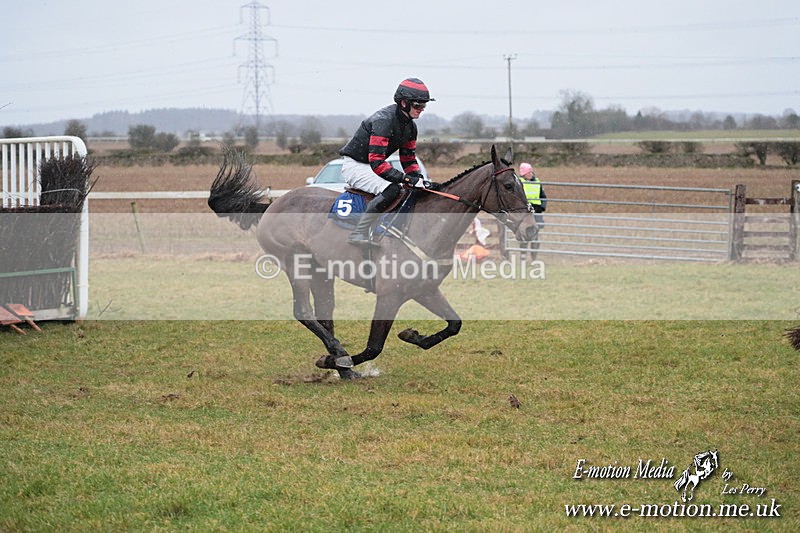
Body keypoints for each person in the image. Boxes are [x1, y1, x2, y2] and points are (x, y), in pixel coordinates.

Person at [339, 77, 434, 247]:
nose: (421, 109)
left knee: (412, 190)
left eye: (424, 105)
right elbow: (377, 162)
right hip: (356, 166)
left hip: (371, 165)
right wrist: (406, 179)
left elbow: (408, 158)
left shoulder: (411, 127)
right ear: (404, 103)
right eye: (418, 105)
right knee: (392, 189)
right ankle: (358, 233)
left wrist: (417, 178)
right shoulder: (384, 121)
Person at [519, 162, 546, 259]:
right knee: (524, 235)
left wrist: (542, 207)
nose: (531, 174)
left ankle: (534, 258)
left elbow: (543, 196)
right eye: (528, 172)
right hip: (525, 212)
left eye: (531, 172)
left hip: (536, 211)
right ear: (523, 173)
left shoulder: (537, 182)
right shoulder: (519, 182)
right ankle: (523, 257)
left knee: (535, 236)